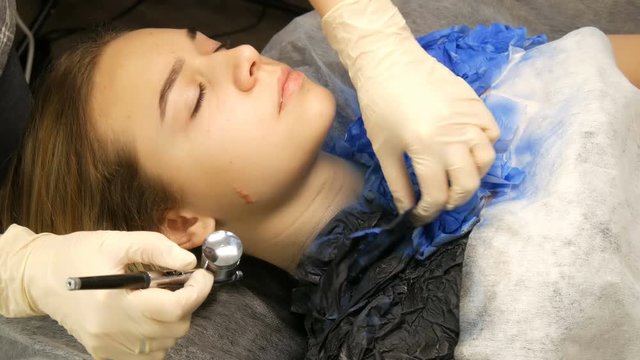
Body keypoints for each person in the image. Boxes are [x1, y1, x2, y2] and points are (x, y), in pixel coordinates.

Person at [2, 8, 639, 358]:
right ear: (179, 224)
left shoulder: (437, 74)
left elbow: (609, 63)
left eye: (214, 45)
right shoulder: (387, 337)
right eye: (194, 96)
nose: (243, 58)